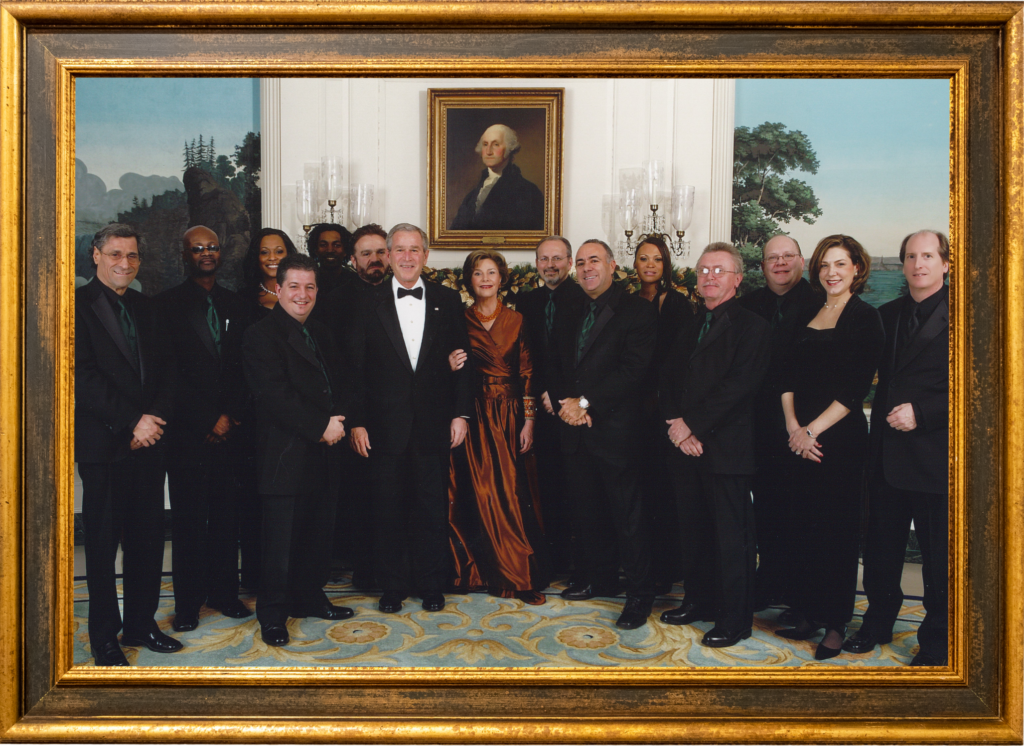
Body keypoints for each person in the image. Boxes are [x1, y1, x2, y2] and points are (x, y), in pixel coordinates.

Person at [345, 223, 473, 614]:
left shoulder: (448, 300)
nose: (405, 257)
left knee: (432, 509)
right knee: (388, 510)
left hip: (434, 424)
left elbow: (462, 360)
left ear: (425, 256)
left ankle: (432, 585)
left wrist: (461, 414)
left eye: (413, 250)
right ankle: (392, 587)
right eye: (398, 250)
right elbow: (355, 368)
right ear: (387, 254)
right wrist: (358, 422)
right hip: (384, 428)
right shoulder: (366, 302)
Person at [75, 223, 183, 665]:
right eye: (116, 254)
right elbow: (82, 377)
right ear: (96, 256)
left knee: (147, 539)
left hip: (150, 443)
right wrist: (131, 423)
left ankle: (142, 622)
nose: (125, 263)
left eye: (133, 256)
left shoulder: (149, 307)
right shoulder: (75, 306)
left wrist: (152, 422)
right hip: (106, 446)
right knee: (102, 545)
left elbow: (168, 372)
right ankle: (104, 635)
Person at [843, 230, 950, 666]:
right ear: (902, 264)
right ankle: (878, 620)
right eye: (911, 256)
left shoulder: (971, 315)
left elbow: (987, 387)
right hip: (885, 457)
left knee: (938, 560)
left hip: (934, 457)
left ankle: (938, 639)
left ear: (945, 263)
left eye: (928, 255)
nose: (918, 263)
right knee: (882, 550)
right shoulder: (885, 314)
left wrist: (922, 413)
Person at [775, 234, 884, 660]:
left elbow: (853, 388)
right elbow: (783, 376)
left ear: (857, 268)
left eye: (840, 264)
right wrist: (793, 428)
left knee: (836, 533)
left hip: (838, 441)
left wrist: (812, 431)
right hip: (797, 436)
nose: (831, 273)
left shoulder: (865, 318)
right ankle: (807, 611)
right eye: (824, 265)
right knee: (801, 526)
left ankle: (836, 623)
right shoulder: (806, 310)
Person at [658, 242, 770, 648]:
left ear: (737, 279)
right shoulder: (689, 324)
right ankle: (698, 601)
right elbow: (667, 379)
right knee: (694, 532)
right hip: (685, 447)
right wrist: (676, 426)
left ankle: (735, 620)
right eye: (704, 270)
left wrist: (693, 427)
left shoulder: (752, 326)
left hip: (725, 451)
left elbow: (738, 387)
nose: (709, 276)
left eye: (719, 270)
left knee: (730, 539)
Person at [242, 253, 354, 647]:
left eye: (309, 287)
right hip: (286, 454)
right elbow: (275, 396)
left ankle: (309, 597)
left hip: (325, 451)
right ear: (277, 288)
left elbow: (338, 382)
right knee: (279, 543)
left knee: (316, 534)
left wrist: (339, 417)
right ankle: (272, 616)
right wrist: (321, 426)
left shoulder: (321, 331)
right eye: (294, 286)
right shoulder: (260, 335)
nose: (302, 295)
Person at [548, 239, 657, 630]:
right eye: (580, 262)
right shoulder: (568, 306)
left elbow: (634, 371)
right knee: (587, 511)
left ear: (612, 265)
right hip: (575, 429)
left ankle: (640, 596)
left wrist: (586, 403)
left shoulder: (637, 311)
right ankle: (601, 578)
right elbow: (558, 361)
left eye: (594, 260)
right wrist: (567, 404)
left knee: (628, 518)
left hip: (615, 430)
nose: (586, 268)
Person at [156, 226, 252, 633]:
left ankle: (224, 595)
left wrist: (230, 415)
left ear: (221, 252)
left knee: (229, 519)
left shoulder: (238, 303)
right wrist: (206, 418)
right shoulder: (165, 305)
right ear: (184, 255)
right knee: (190, 522)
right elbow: (167, 375)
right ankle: (189, 604)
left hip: (232, 432)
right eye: (197, 249)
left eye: (212, 247)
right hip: (188, 435)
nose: (206, 254)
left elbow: (249, 368)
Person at [446, 249, 549, 604]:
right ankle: (480, 571)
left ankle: (517, 572)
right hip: (473, 414)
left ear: (502, 279)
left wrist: (530, 421)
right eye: (478, 273)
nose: (486, 279)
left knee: (508, 495)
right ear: (469, 280)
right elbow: (444, 365)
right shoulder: (459, 320)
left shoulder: (518, 320)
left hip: (509, 416)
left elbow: (528, 374)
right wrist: (448, 361)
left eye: (492, 272)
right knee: (478, 493)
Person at [737, 234, 819, 610]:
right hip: (756, 425)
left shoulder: (823, 303)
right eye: (773, 257)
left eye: (788, 256)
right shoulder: (748, 305)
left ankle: (800, 591)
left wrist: (806, 426)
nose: (780, 263)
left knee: (802, 511)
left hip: (806, 426)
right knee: (764, 508)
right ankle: (767, 581)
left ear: (802, 261)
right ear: (763, 265)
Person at [314, 222, 391, 589]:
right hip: (358, 415)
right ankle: (367, 575)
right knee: (361, 497)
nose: (374, 260)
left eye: (380, 252)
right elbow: (336, 367)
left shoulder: (403, 292)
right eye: (365, 253)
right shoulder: (336, 301)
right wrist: (354, 420)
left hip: (400, 414)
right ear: (352, 258)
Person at [513, 236, 586, 574]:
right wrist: (540, 390)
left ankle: (577, 562)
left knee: (576, 485)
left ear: (570, 262)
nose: (551, 265)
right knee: (546, 484)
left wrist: (557, 393)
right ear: (537, 263)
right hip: (537, 407)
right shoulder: (526, 301)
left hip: (574, 406)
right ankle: (551, 559)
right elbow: (526, 355)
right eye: (544, 259)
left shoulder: (585, 298)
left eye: (558, 258)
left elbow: (582, 357)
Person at [236, 228, 298, 590]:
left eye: (279, 250)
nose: (272, 257)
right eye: (264, 252)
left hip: (294, 416)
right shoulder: (242, 301)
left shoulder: (304, 297)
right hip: (254, 414)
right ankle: (257, 578)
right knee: (256, 499)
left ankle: (293, 579)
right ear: (255, 259)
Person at [633, 235, 694, 593]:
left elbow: (679, 360)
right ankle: (643, 565)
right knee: (640, 487)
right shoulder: (627, 302)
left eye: (657, 258)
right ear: (635, 264)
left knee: (664, 489)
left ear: (666, 263)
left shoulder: (677, 303)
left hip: (664, 407)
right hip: (633, 406)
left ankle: (667, 568)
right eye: (644, 258)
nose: (651, 265)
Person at [449, 124, 544, 231]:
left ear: (509, 148)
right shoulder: (471, 196)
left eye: (496, 144)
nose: (489, 151)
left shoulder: (528, 192)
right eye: (485, 144)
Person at [307, 222, 355, 295]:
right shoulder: (308, 280)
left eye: (336, 245)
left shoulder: (356, 282)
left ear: (345, 250)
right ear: (315, 250)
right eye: (323, 245)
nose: (330, 250)